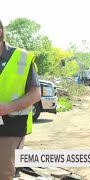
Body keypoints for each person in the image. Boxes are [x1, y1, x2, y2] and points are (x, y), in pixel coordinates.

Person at [0, 19, 41, 180]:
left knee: (3, 174)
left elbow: (35, 93)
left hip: (10, 127)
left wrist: (8, 107)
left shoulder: (21, 58)